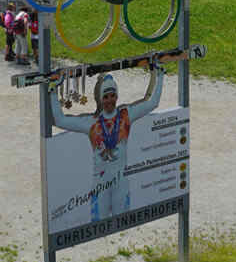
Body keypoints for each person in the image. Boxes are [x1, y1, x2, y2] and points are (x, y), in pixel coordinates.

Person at [49, 63, 165, 222]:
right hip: (100, 184)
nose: (110, 100)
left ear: (117, 96)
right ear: (100, 99)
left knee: (123, 223)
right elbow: (60, 120)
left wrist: (160, 75)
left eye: (112, 95)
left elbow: (153, 103)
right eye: (106, 97)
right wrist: (52, 90)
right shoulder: (91, 122)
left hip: (121, 181)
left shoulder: (126, 115)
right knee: (97, 226)